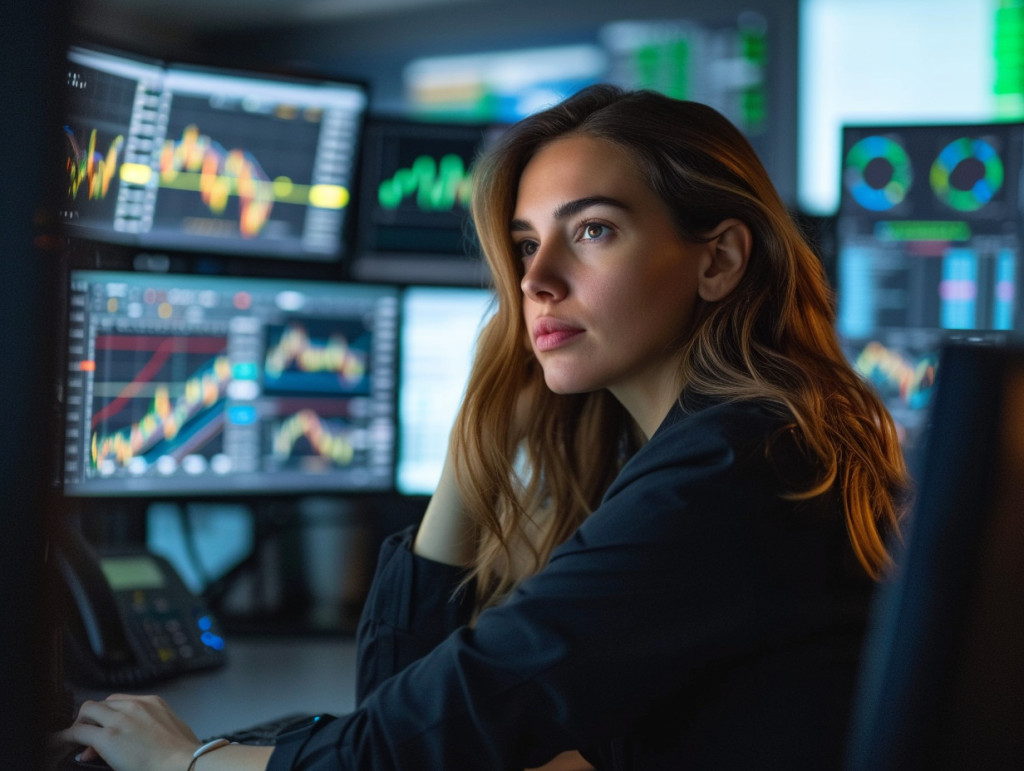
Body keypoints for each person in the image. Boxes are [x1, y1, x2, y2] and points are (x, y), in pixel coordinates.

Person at [54, 84, 910, 770]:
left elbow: (417, 740)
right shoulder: (747, 439)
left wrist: (191, 760)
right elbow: (408, 704)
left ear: (717, 259)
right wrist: (488, 416)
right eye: (526, 244)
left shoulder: (731, 467)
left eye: (594, 230)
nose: (537, 279)